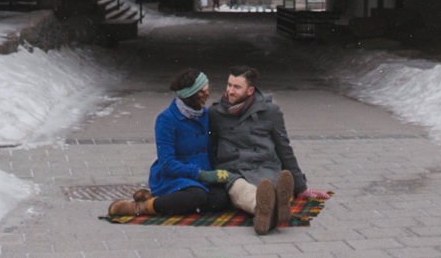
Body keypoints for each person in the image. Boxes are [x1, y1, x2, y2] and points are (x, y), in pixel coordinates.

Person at [107, 68, 231, 219]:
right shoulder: (166, 119)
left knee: (221, 198)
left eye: (207, 91)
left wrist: (215, 173)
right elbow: (167, 163)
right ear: (190, 95)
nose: (208, 96)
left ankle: (161, 201)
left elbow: (208, 151)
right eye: (202, 92)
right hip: (173, 177)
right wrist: (202, 174)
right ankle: (139, 207)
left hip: (199, 178)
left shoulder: (203, 115)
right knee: (197, 196)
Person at [207, 65, 307, 235]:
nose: (230, 91)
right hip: (233, 171)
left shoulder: (270, 111)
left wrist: (300, 186)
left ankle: (274, 205)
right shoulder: (215, 113)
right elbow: (210, 149)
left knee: (267, 186)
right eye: (229, 85)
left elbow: (284, 148)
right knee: (244, 191)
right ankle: (271, 209)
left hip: (264, 167)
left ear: (250, 90)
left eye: (237, 87)